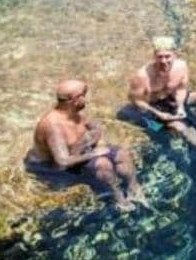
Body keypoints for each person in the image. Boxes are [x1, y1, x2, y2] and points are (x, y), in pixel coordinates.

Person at [25, 79, 144, 210]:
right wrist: (94, 153)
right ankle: (119, 199)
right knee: (103, 164)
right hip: (54, 169)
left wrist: (93, 138)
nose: (86, 100)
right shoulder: (53, 126)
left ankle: (134, 189)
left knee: (123, 153)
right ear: (72, 100)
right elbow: (62, 161)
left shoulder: (75, 112)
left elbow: (96, 127)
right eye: (83, 96)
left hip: (78, 153)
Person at [129, 38, 196, 159]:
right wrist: (159, 114)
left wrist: (180, 107)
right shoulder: (142, 76)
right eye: (160, 57)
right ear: (154, 56)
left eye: (167, 56)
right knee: (179, 128)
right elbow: (136, 101)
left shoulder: (181, 66)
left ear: (175, 54)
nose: (164, 61)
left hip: (171, 99)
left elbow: (181, 88)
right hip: (151, 108)